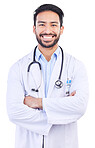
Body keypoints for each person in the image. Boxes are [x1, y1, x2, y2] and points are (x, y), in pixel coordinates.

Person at [6, 4, 89, 148]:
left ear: (61, 29)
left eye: (53, 25)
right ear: (34, 29)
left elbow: (80, 106)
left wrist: (39, 103)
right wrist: (61, 111)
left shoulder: (76, 66)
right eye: (42, 24)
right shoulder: (18, 68)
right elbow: (14, 112)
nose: (47, 30)